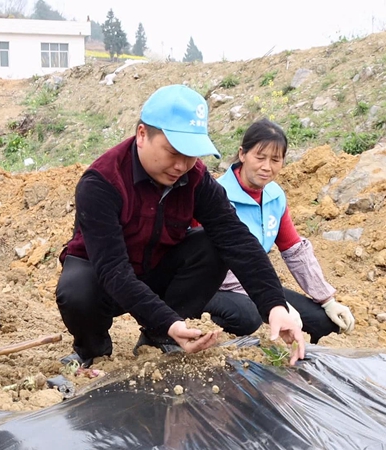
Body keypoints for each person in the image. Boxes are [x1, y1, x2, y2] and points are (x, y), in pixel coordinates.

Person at [55, 85, 306, 369]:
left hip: (158, 272)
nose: (181, 165)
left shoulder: (195, 177)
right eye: (173, 152)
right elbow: (113, 269)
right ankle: (94, 351)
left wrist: (275, 306)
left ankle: (159, 339)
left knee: (212, 244)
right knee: (76, 289)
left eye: (191, 155)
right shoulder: (102, 182)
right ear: (141, 135)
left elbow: (237, 239)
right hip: (105, 279)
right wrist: (169, 320)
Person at [204, 118, 355, 344]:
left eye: (275, 159)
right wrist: (277, 306)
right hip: (211, 286)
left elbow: (294, 250)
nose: (267, 167)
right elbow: (219, 266)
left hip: (254, 283)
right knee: (247, 316)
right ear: (242, 154)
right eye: (260, 157)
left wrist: (327, 300)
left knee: (323, 322)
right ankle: (213, 334)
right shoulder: (216, 195)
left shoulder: (275, 196)